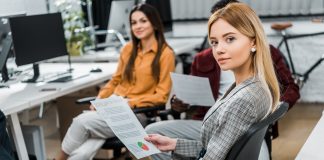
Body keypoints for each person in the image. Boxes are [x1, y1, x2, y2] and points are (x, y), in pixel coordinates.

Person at [145, 0, 300, 159]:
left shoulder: (242, 101)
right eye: (214, 42)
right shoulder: (253, 86)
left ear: (253, 42)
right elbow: (217, 149)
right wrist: (174, 145)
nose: (219, 50)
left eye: (230, 39)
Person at [55, 3, 175, 160]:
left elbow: (161, 96)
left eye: (143, 21)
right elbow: (115, 80)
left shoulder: (166, 54)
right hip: (113, 107)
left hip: (138, 114)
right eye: (134, 23)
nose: (138, 26)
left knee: (81, 122)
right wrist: (99, 100)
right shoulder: (128, 49)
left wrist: (130, 102)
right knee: (84, 151)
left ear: (154, 23)